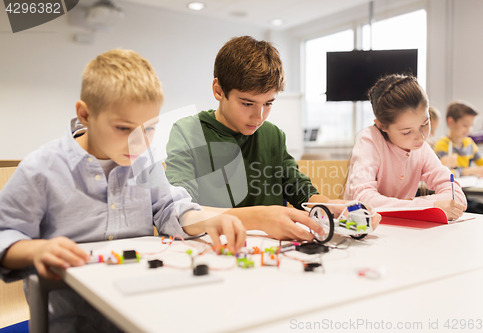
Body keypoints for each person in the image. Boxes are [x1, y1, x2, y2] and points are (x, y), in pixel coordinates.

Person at [0, 49, 245, 332]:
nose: (139, 143)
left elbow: (169, 207)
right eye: (123, 128)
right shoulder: (41, 168)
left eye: (150, 129)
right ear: (85, 114)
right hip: (70, 320)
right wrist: (36, 249)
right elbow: (5, 233)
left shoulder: (145, 162)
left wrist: (207, 219)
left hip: (137, 308)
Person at [165, 36, 381, 240]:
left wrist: (330, 206)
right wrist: (259, 218)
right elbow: (180, 210)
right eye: (247, 103)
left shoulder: (272, 134)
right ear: (219, 90)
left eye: (268, 103)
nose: (258, 117)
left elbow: (298, 188)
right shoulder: (188, 132)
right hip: (214, 252)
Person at [344, 74, 466, 220]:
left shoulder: (421, 147)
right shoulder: (370, 141)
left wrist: (412, 205)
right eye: (407, 132)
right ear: (382, 125)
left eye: (425, 124)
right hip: (364, 228)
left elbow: (456, 195)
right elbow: (363, 200)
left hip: (404, 228)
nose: (420, 137)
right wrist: (428, 206)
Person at [434, 101, 483, 178]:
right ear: (451, 122)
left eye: (471, 125)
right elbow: (441, 172)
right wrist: (467, 171)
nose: (469, 130)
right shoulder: (442, 144)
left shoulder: (469, 144)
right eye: (465, 125)